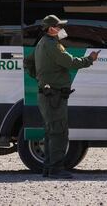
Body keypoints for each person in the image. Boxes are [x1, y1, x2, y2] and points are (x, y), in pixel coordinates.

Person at [29, 14, 99, 179]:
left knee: (50, 132)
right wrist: (90, 59)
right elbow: (71, 62)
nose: (62, 29)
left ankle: (48, 168)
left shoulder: (41, 43)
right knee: (59, 133)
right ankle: (56, 169)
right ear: (51, 29)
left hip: (48, 94)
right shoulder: (52, 45)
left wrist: (40, 78)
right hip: (54, 96)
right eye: (59, 26)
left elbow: (28, 62)